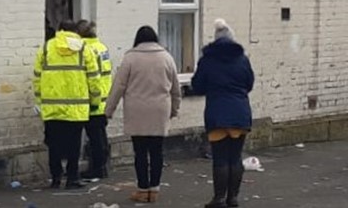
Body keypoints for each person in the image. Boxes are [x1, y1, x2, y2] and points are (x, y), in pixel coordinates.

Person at [105, 26, 183, 204]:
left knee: (140, 152)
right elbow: (176, 89)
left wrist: (109, 110)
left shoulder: (130, 58)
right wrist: (174, 110)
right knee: (157, 152)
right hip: (159, 111)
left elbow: (118, 87)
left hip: (137, 111)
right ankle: (154, 190)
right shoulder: (166, 57)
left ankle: (142, 189)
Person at [191, 19, 255, 208]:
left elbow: (198, 85)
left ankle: (219, 198)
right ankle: (233, 198)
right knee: (235, 157)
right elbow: (249, 83)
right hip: (239, 114)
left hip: (217, 114)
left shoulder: (207, 60)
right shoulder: (242, 59)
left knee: (220, 158)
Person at [34, 20, 101, 189]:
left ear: (60, 30)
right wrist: (94, 102)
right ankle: (72, 178)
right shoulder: (84, 49)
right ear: (75, 31)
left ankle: (56, 178)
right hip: (76, 108)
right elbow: (94, 78)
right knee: (74, 145)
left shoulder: (46, 48)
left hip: (52, 107)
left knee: (54, 144)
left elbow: (37, 77)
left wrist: (39, 101)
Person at [79, 20, 114, 181]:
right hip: (104, 99)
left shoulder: (85, 50)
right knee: (100, 135)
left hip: (93, 100)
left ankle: (97, 168)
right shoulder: (101, 47)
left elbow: (89, 77)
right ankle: (103, 166)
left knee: (94, 138)